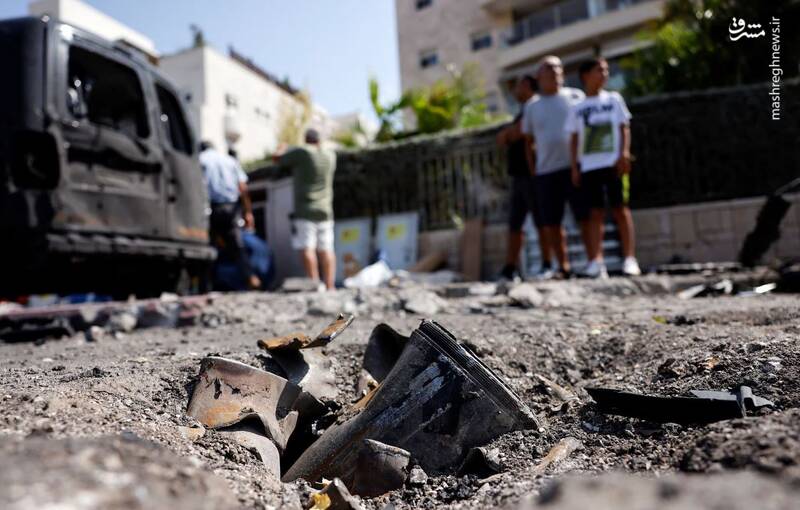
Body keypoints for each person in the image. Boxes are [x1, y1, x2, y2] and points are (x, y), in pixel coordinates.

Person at [566, 57, 641, 277]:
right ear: (585, 75)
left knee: (620, 209)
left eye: (606, 70)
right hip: (589, 167)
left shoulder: (614, 99)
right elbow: (574, 138)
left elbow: (624, 127)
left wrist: (624, 153)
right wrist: (574, 166)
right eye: (600, 70)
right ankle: (596, 262)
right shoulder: (577, 108)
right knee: (594, 213)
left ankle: (630, 258)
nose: (605, 74)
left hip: (612, 163)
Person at [521, 55, 589, 279]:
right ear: (539, 75)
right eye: (549, 68)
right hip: (546, 172)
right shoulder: (532, 106)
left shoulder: (576, 97)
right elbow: (528, 141)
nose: (555, 71)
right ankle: (563, 266)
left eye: (558, 67)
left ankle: (594, 262)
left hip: (575, 167)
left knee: (585, 216)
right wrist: (533, 171)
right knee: (551, 222)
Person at [496, 75, 546, 281]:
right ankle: (510, 267)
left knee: (542, 221)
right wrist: (509, 133)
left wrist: (510, 133)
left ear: (526, 86)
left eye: (517, 86)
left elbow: (518, 135)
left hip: (533, 174)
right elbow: (503, 138)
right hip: (519, 176)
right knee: (516, 224)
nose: (514, 91)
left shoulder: (535, 107)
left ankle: (548, 263)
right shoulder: (522, 112)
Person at [274, 129, 337, 290]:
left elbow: (277, 159)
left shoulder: (302, 152)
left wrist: (282, 147)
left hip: (305, 209)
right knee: (326, 249)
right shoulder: (330, 155)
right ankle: (330, 286)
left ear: (306, 139)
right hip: (325, 210)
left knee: (307, 247)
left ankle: (314, 284)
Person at [200, 141, 261, 289]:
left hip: (211, 208)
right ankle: (251, 278)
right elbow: (243, 188)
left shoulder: (201, 159)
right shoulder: (230, 161)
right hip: (231, 208)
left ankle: (206, 284)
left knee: (209, 246)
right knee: (237, 246)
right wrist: (248, 212)